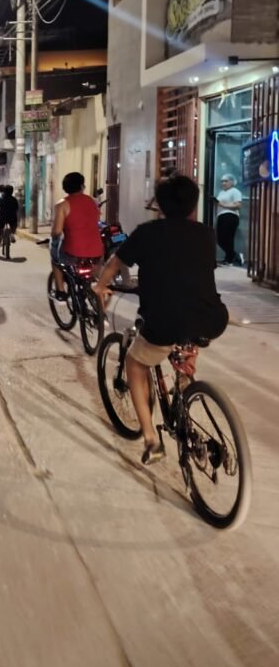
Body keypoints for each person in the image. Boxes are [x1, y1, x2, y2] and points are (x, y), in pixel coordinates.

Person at [93, 174, 228, 465]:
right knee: (187, 330)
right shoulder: (206, 234)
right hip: (212, 318)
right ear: (193, 205)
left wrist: (101, 286)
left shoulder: (147, 232)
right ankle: (185, 381)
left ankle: (151, 440)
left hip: (165, 321)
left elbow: (115, 263)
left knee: (135, 363)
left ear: (160, 205)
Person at [50, 171, 103, 299]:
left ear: (65, 188)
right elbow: (96, 221)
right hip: (97, 251)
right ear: (82, 186)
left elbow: (57, 231)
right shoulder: (92, 202)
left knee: (55, 257)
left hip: (73, 252)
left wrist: (54, 238)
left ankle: (60, 292)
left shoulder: (62, 204)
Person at [214, 174, 243, 265]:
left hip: (230, 216)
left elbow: (238, 205)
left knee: (227, 238)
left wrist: (223, 205)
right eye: (222, 181)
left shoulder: (235, 191)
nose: (223, 183)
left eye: (226, 181)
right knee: (220, 239)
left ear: (232, 182)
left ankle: (229, 258)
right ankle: (234, 256)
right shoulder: (221, 193)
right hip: (221, 216)